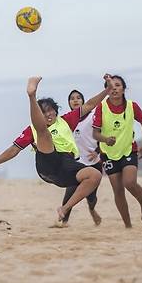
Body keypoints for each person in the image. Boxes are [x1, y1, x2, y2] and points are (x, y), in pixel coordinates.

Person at [0, 76, 112, 221]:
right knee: (44, 134)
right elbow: (13, 150)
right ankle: (31, 96)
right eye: (43, 112)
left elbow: (90, 105)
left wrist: (108, 90)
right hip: (46, 165)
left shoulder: (66, 120)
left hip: (66, 166)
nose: (47, 114)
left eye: (50, 111)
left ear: (56, 111)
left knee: (95, 175)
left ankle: (64, 209)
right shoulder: (32, 130)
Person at [92, 75, 142, 228]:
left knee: (129, 183)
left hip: (128, 150)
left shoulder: (132, 106)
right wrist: (105, 139)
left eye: (118, 85)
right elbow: (95, 134)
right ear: (107, 90)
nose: (114, 88)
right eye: (111, 86)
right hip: (108, 154)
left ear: (124, 89)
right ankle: (128, 225)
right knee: (117, 190)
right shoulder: (101, 107)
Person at [60, 89, 102, 226]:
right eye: (72, 98)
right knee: (70, 194)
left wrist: (98, 151)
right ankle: (62, 223)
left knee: (91, 197)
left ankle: (92, 209)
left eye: (78, 98)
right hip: (76, 164)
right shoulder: (65, 122)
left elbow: (103, 135)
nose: (75, 100)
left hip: (93, 163)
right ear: (69, 103)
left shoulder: (93, 117)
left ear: (83, 101)